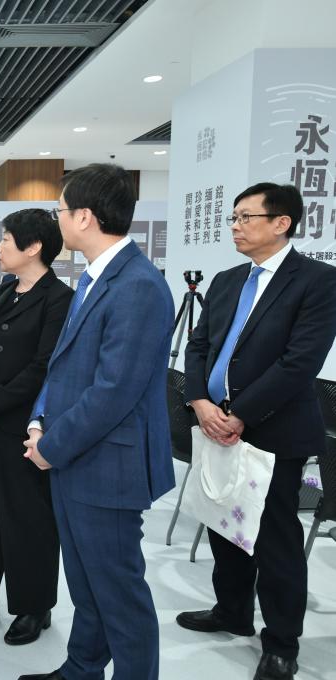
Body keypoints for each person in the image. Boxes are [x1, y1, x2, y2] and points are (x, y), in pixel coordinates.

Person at [19, 163, 175, 680]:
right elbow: (63, 366)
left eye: (60, 210)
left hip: (108, 466)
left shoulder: (138, 286)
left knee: (119, 594)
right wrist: (40, 419)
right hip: (76, 457)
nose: (58, 220)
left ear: (84, 216)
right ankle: (82, 669)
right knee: (86, 584)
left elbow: (114, 392)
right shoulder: (94, 278)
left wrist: (51, 446)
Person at [179, 183, 336, 680]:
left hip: (274, 429)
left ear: (281, 223)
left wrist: (241, 413)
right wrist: (200, 401)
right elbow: (198, 346)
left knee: (274, 538)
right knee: (223, 523)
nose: (235, 227)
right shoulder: (228, 280)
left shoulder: (317, 281)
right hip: (215, 421)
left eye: (246, 217)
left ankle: (281, 642)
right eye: (233, 218)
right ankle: (232, 610)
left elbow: (299, 362)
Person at [0, 209, 71, 643]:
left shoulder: (60, 299)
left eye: (6, 240)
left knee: (28, 517)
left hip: (27, 428)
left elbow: (45, 367)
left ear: (34, 247)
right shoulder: (4, 290)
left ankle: (33, 605)